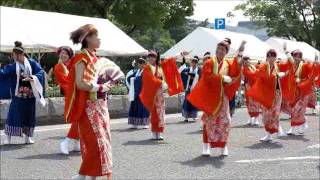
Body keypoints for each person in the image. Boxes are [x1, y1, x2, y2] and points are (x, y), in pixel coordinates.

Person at [65, 24, 124, 180]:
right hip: (89, 106)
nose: (99, 39)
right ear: (88, 39)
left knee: (102, 141)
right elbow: (80, 83)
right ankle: (83, 174)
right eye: (96, 36)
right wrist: (100, 86)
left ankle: (90, 175)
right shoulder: (81, 58)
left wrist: (110, 84)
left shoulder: (95, 58)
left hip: (100, 105)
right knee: (94, 142)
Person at [188, 38, 246, 156]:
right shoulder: (209, 62)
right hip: (210, 96)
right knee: (208, 121)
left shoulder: (228, 63)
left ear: (226, 52)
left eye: (223, 49)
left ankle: (223, 146)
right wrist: (221, 78)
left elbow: (236, 67)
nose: (220, 51)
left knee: (225, 121)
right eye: (218, 49)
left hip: (222, 96)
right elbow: (207, 76)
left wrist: (240, 52)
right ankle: (206, 146)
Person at [0, 41, 45, 145]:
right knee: (13, 116)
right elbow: (3, 74)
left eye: (14, 55)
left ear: (20, 54)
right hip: (18, 96)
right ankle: (8, 138)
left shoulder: (32, 63)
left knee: (29, 116)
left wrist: (32, 77)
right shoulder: (13, 66)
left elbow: (41, 72)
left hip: (30, 95)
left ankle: (28, 137)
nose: (13, 57)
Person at [246, 49, 290, 142]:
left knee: (275, 112)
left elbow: (290, 64)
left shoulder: (278, 65)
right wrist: (277, 76)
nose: (271, 58)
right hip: (266, 94)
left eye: (273, 56)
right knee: (266, 115)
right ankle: (269, 134)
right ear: (267, 57)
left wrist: (287, 52)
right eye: (270, 56)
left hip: (277, 93)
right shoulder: (263, 66)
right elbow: (264, 76)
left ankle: (278, 128)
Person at [139, 51, 184, 140]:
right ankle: (153, 132)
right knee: (154, 113)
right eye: (150, 57)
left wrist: (180, 55)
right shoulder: (147, 67)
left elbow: (169, 63)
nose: (151, 58)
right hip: (152, 93)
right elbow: (149, 79)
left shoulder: (159, 67)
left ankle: (159, 132)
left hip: (159, 94)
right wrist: (161, 82)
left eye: (153, 57)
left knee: (160, 112)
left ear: (156, 58)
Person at [53, 46, 81, 155]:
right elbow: (65, 82)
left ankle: (76, 143)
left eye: (65, 53)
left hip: (76, 93)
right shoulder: (58, 67)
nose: (63, 55)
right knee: (78, 118)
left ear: (69, 55)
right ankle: (66, 141)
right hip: (72, 95)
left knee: (79, 119)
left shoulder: (72, 65)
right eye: (61, 53)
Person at [285, 50, 319, 135]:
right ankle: (301, 124)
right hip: (294, 91)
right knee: (294, 109)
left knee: (298, 109)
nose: (296, 58)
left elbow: (313, 69)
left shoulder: (305, 65)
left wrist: (315, 60)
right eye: (295, 57)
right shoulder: (292, 66)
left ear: (301, 58)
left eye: (298, 57)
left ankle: (295, 128)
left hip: (304, 91)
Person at [127, 58, 150, 129]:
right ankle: (135, 123)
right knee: (135, 108)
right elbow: (129, 78)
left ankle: (145, 123)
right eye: (139, 63)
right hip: (135, 93)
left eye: (142, 63)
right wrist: (132, 75)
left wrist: (135, 79)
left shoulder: (146, 71)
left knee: (143, 108)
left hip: (143, 92)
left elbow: (144, 79)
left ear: (144, 64)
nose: (140, 64)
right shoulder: (137, 71)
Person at [181, 56, 201, 122]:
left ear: (197, 63)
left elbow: (200, 77)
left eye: (195, 62)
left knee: (194, 103)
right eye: (192, 62)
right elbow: (181, 74)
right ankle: (186, 117)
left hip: (195, 89)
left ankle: (194, 116)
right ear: (190, 63)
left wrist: (191, 74)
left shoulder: (199, 70)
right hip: (188, 89)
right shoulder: (187, 69)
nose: (194, 63)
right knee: (186, 103)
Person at [242, 56, 261, 125]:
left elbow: (255, 74)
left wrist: (258, 72)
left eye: (248, 60)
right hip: (248, 87)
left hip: (255, 87)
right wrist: (258, 72)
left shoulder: (253, 67)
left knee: (256, 103)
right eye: (245, 61)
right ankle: (251, 118)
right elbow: (251, 75)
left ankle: (256, 118)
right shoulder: (244, 69)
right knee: (249, 103)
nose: (247, 62)